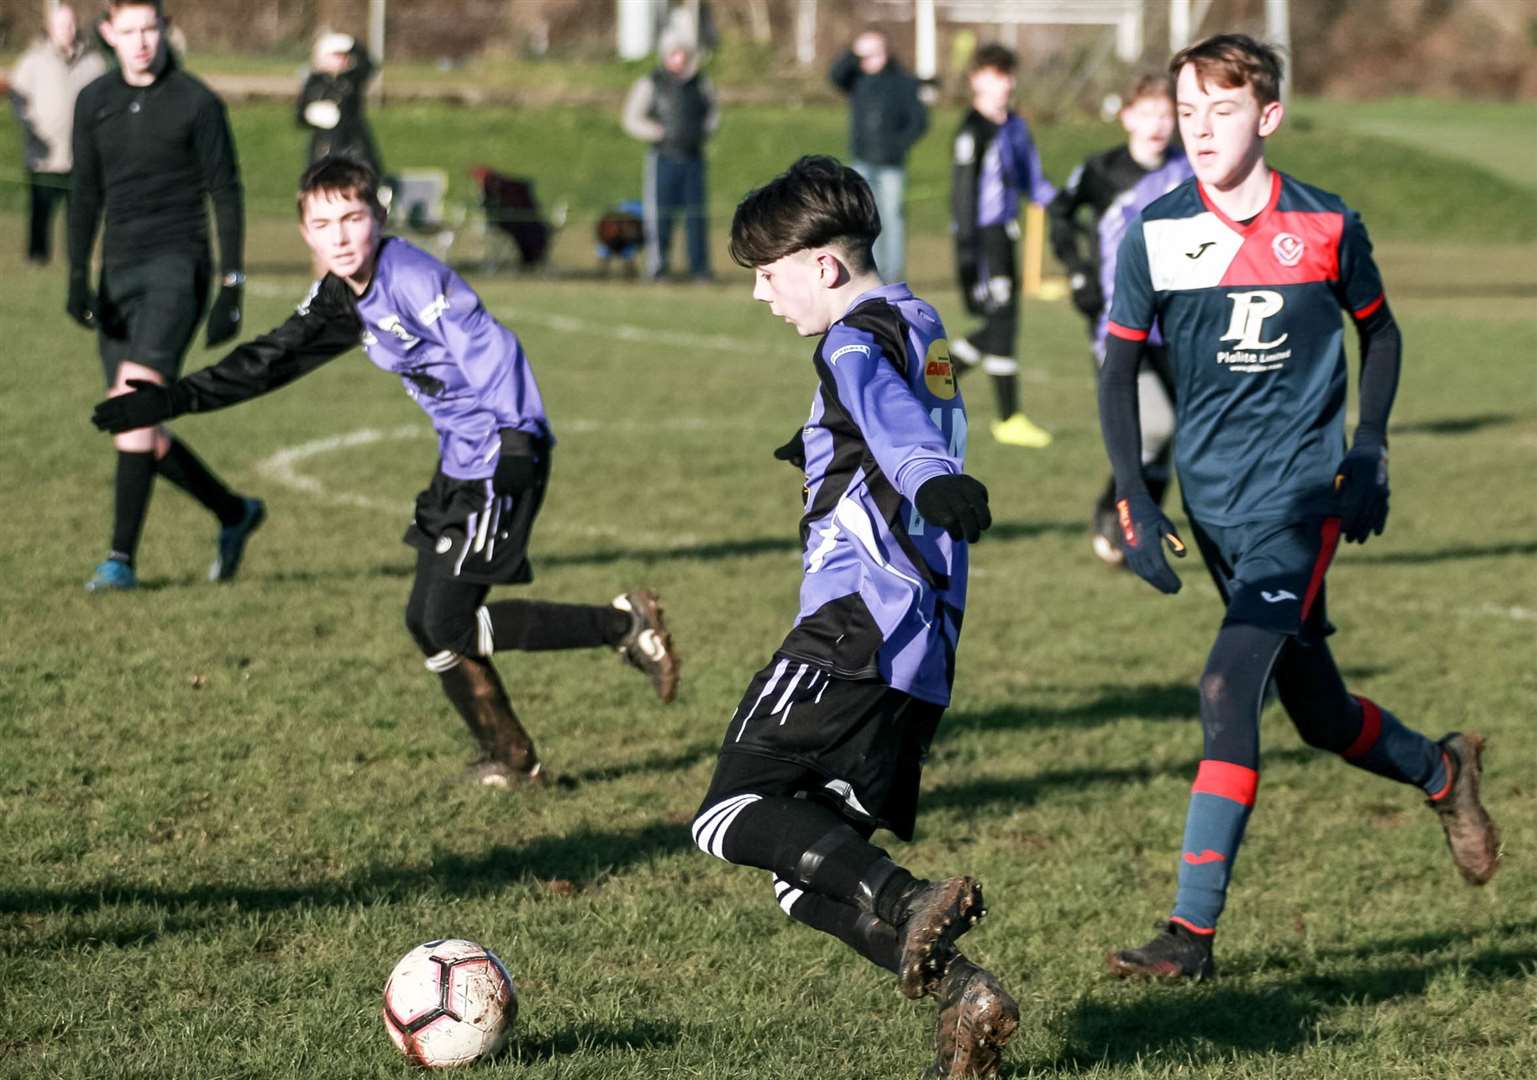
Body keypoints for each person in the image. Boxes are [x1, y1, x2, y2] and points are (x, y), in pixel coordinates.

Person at [1097, 34, 1499, 981]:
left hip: (1300, 502)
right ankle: (1441, 770)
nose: (1199, 131)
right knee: (1315, 712)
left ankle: (1188, 937)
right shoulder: (1154, 231)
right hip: (1212, 504)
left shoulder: (1325, 225)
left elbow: (1382, 334)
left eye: (1221, 111)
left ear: (1267, 116)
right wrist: (1133, 496)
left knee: (1227, 688)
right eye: (1187, 113)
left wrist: (1368, 449)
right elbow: (1117, 367)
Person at [91, 157, 682, 788]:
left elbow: (488, 344)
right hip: (459, 463)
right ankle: (512, 761)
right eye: (324, 223)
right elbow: (269, 360)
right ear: (305, 233)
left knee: (450, 623)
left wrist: (515, 432)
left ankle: (624, 625)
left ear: (380, 217)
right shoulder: (340, 296)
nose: (340, 236)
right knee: (423, 623)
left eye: (353, 217)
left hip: (501, 459)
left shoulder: (413, 278)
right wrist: (172, 400)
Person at [691, 155, 1015, 1077]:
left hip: (855, 626)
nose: (761, 293)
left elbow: (888, 418)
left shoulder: (845, 342)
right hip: (924, 652)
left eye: (768, 272)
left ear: (824, 266)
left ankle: (912, 900)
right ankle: (967, 997)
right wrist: (827, 449)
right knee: (803, 875)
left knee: (728, 813)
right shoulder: (924, 323)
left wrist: (929, 478)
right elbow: (905, 411)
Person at [68, 0, 260, 592]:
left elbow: (226, 193)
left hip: (179, 269)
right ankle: (233, 512)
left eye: (150, 28)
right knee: (137, 423)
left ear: (163, 29)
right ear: (108, 34)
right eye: (128, 31)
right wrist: (77, 275)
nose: (141, 41)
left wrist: (231, 283)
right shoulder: (93, 101)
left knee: (133, 402)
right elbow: (83, 194)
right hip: (118, 274)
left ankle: (119, 560)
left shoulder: (196, 101)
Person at [1048, 73, 1193, 566]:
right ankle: (1115, 512)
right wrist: (1078, 273)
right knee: (1154, 425)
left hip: (1178, 322)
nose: (1157, 124)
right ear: (1127, 115)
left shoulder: (1191, 170)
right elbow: (1060, 213)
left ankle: (1138, 528)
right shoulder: (1102, 170)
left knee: (1176, 432)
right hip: (1119, 321)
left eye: (1166, 114)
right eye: (1147, 112)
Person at [949, 44, 1057, 448]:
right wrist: (967, 254)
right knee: (1002, 326)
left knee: (1000, 326)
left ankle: (930, 383)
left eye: (1008, 74)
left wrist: (1064, 202)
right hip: (982, 239)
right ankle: (1008, 417)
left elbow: (1034, 181)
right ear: (976, 79)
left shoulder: (1016, 126)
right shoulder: (971, 131)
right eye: (996, 74)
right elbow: (963, 199)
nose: (1005, 83)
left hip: (1007, 235)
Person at [8, 4, 106, 266]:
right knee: (40, 212)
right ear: (50, 28)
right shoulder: (32, 60)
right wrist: (32, 127)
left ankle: (78, 260)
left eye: (71, 24)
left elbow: (107, 103)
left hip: (81, 156)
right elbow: (17, 99)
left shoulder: (94, 64)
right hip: (44, 157)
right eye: (62, 25)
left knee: (80, 215)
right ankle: (37, 260)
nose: (68, 30)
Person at [828, 29, 928, 283]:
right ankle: (867, 269)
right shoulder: (856, 79)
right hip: (862, 160)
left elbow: (919, 121)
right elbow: (834, 76)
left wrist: (898, 145)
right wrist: (853, 53)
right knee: (863, 218)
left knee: (892, 217)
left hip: (892, 164)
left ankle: (892, 273)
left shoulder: (902, 82)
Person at [621, 26, 719, 282]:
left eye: (682, 53)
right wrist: (655, 132)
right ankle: (658, 268)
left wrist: (702, 132)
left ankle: (700, 269)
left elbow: (712, 114)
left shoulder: (701, 83)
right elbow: (631, 118)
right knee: (660, 217)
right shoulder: (651, 83)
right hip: (663, 159)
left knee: (696, 218)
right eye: (673, 53)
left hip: (693, 158)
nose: (678, 58)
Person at [296, 31, 381, 177]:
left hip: (354, 147)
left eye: (344, 55)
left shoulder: (351, 79)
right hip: (324, 150)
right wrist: (311, 114)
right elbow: (299, 116)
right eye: (336, 55)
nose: (342, 59)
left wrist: (352, 43)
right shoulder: (314, 82)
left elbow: (369, 64)